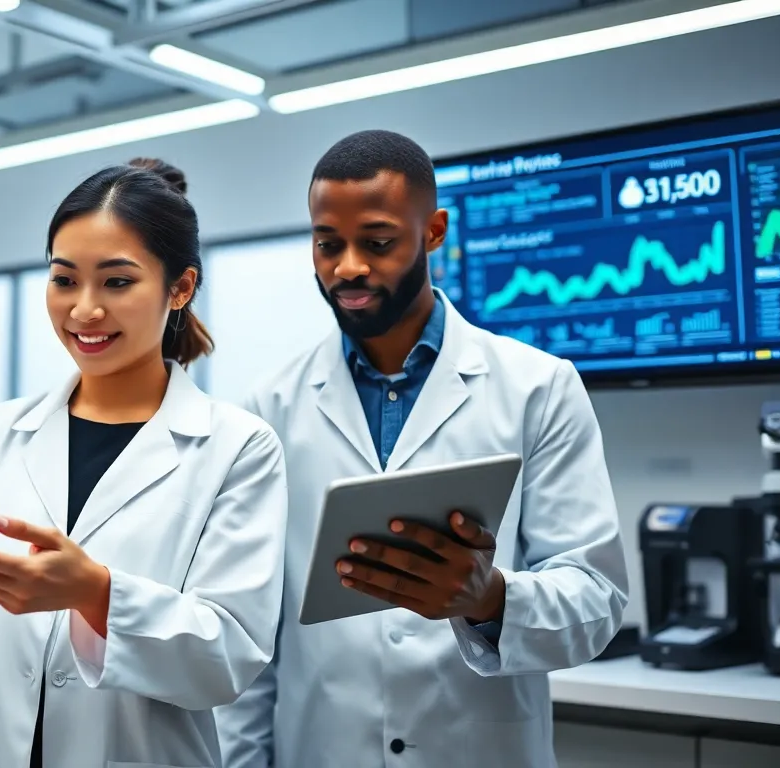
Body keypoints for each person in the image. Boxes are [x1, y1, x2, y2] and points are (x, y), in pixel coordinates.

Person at [0, 158, 288, 768]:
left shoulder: (238, 448)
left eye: (118, 282)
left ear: (180, 288)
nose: (84, 310)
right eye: (64, 280)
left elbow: (226, 660)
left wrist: (96, 593)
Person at [213, 130, 629, 768]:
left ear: (433, 232)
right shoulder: (268, 409)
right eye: (328, 245)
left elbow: (597, 598)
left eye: (377, 243)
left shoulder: (537, 387)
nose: (347, 266)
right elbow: (252, 638)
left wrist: (490, 599)